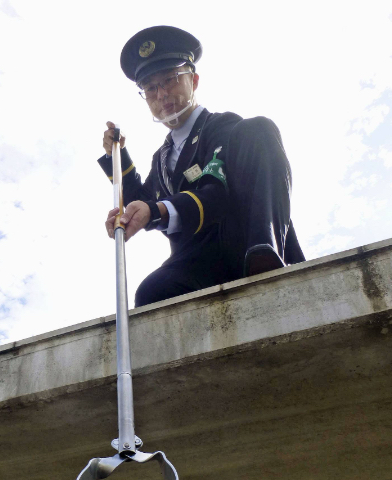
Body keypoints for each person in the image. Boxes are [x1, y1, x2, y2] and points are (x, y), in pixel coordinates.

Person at [99, 26, 305, 307]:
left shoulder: (223, 127)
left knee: (259, 128)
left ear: (193, 80)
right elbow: (142, 202)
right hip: (197, 259)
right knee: (151, 293)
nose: (161, 94)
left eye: (170, 79)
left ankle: (267, 253)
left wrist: (156, 211)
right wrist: (118, 156)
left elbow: (217, 194)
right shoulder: (161, 158)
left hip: (240, 240)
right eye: (150, 88)